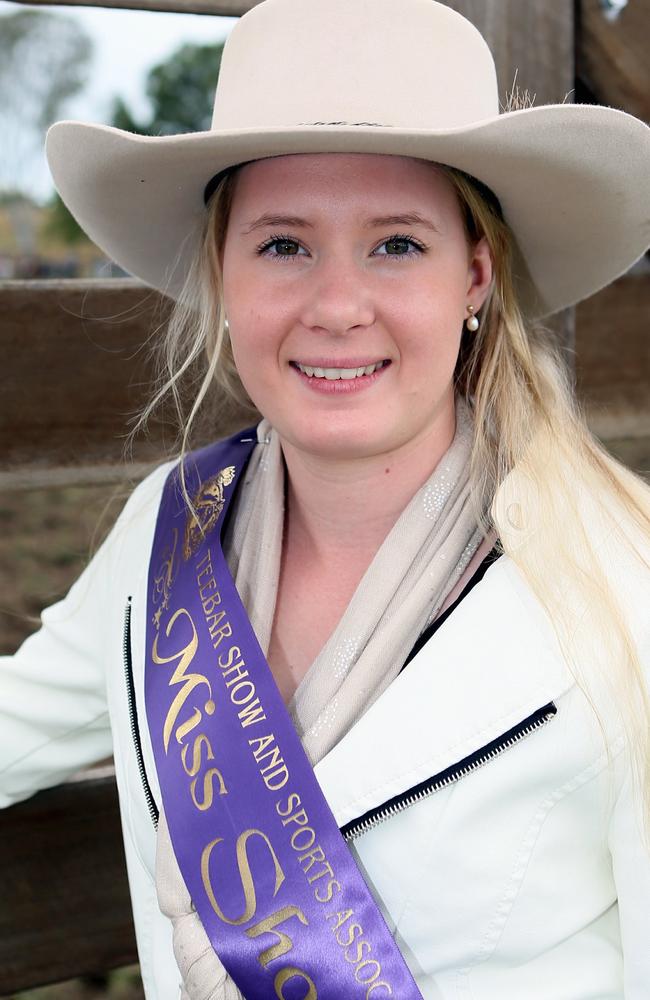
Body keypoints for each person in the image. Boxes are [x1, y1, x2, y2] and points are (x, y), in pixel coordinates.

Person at [2, 0, 650, 997]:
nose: (337, 305)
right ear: (221, 274)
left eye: (395, 244)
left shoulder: (620, 576)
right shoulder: (159, 539)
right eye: (281, 245)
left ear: (472, 276)